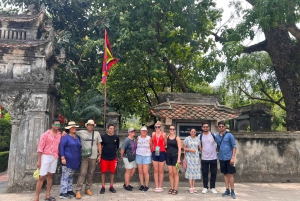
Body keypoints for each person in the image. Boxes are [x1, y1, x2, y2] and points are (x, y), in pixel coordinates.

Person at [34, 118, 62, 201]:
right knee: (41, 177)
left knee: (50, 176)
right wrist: (39, 161)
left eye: (58, 125)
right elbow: (40, 148)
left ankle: (47, 195)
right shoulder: (45, 134)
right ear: (52, 125)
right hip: (45, 156)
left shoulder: (59, 134)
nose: (57, 126)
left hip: (54, 157)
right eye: (55, 124)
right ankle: (36, 197)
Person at [74, 119, 102, 199]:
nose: (90, 126)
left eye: (92, 125)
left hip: (94, 156)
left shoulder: (97, 134)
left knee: (91, 173)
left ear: (93, 126)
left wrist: (99, 155)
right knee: (83, 173)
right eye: (89, 125)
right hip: (85, 157)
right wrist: (64, 132)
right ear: (87, 126)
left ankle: (88, 188)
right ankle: (78, 190)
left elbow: (99, 144)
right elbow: (72, 131)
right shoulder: (81, 132)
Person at [59, 121, 81, 199]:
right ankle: (63, 192)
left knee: (71, 176)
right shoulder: (65, 137)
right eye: (72, 127)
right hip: (67, 159)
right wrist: (62, 157)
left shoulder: (77, 137)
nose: (74, 128)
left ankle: (69, 190)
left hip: (74, 160)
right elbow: (61, 147)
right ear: (69, 129)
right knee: (65, 176)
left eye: (75, 127)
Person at [215, 121, 237, 199]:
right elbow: (218, 147)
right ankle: (227, 190)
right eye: (219, 126)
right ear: (218, 127)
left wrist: (233, 157)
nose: (221, 127)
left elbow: (234, 147)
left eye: (222, 126)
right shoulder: (217, 137)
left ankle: (233, 191)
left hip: (229, 158)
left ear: (224, 127)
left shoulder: (229, 135)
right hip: (221, 158)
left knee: (230, 174)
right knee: (225, 174)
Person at [198, 122, 218, 194]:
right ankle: (205, 187)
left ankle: (212, 187)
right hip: (204, 158)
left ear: (209, 127)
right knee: (205, 173)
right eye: (204, 127)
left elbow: (218, 142)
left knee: (213, 173)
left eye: (207, 127)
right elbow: (197, 143)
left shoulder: (213, 135)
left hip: (213, 157)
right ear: (202, 128)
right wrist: (201, 149)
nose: (205, 128)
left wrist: (217, 149)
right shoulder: (200, 136)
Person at [100, 124, 120, 194]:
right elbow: (101, 146)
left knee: (112, 172)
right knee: (103, 172)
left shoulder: (116, 137)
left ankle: (111, 186)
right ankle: (103, 187)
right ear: (107, 129)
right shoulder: (103, 137)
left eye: (113, 128)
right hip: (104, 157)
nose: (112, 130)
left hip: (113, 158)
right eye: (110, 128)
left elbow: (117, 146)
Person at [183, 128, 201, 194]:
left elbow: (200, 148)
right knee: (190, 171)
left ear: (196, 132)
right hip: (189, 157)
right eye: (192, 131)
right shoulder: (187, 139)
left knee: (194, 172)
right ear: (190, 132)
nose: (193, 133)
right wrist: (190, 150)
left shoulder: (198, 139)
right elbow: (184, 148)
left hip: (196, 157)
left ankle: (193, 186)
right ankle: (190, 187)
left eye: (194, 132)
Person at [151, 121, 167, 193]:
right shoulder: (153, 134)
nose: (157, 128)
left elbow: (165, 143)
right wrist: (153, 149)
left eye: (158, 127)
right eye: (156, 127)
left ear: (161, 127)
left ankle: (160, 186)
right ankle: (156, 186)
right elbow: (152, 142)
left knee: (161, 171)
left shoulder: (164, 134)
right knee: (155, 170)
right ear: (155, 128)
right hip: (155, 152)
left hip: (162, 152)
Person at [135, 126, 152, 192]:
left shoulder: (149, 138)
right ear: (140, 132)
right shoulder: (138, 138)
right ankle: (142, 184)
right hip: (139, 155)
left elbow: (151, 146)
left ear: (147, 132)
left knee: (145, 171)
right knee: (140, 171)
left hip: (146, 156)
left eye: (145, 131)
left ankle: (146, 185)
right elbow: (136, 146)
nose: (144, 132)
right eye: (142, 131)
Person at [166, 125, 181, 195]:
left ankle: (176, 188)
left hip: (175, 157)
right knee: (170, 173)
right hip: (168, 156)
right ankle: (171, 187)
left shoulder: (177, 138)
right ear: (169, 130)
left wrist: (178, 159)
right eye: (170, 129)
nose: (172, 130)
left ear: (175, 130)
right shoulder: (167, 137)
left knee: (175, 173)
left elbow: (180, 149)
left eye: (173, 129)